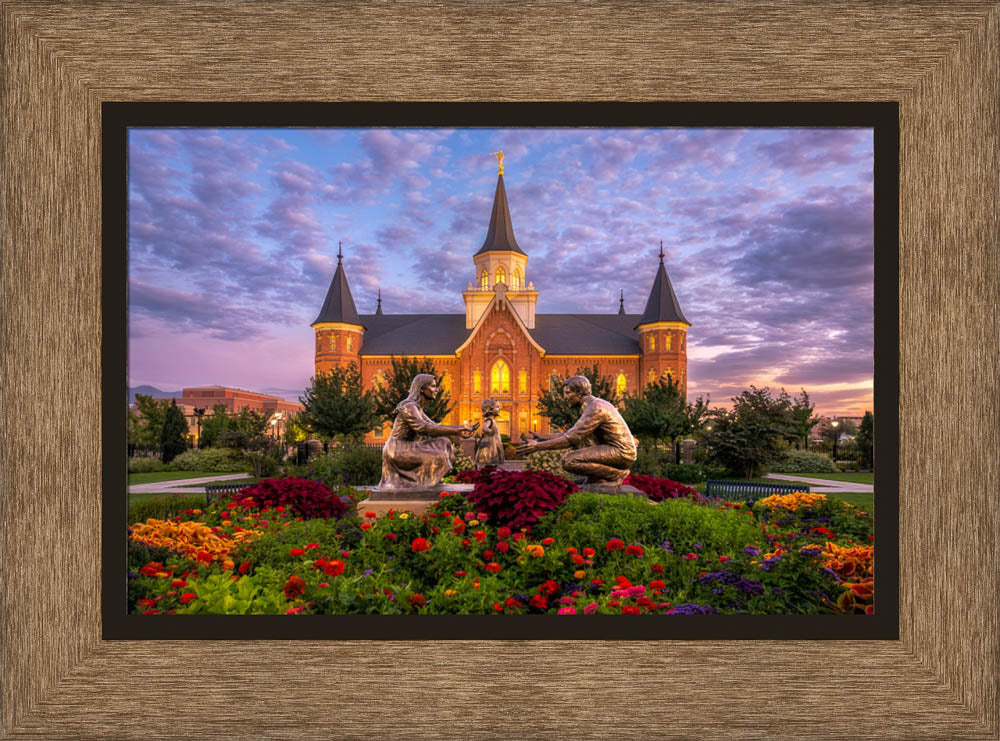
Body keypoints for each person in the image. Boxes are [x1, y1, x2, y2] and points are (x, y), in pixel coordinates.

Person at [516, 375, 637, 485]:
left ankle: (616, 474)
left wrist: (538, 446)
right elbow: (571, 434)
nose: (565, 398)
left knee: (568, 461)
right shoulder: (591, 405)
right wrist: (541, 437)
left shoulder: (596, 407)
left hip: (622, 453)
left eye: (568, 393)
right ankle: (596, 478)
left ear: (579, 393)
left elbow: (571, 438)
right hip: (613, 449)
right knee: (583, 439)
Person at [379, 374, 474, 488]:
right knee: (437, 455)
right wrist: (458, 429)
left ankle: (430, 481)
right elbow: (424, 428)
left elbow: (433, 425)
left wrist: (458, 430)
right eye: (433, 386)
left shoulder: (417, 408)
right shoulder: (409, 407)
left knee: (445, 443)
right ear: (422, 389)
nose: (436, 389)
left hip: (408, 446)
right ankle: (424, 485)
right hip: (398, 449)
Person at [474, 398, 505, 468]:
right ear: (490, 409)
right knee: (490, 463)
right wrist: (489, 431)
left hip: (494, 443)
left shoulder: (493, 421)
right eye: (497, 407)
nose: (499, 408)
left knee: (493, 464)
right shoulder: (489, 420)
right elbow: (484, 427)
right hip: (490, 445)